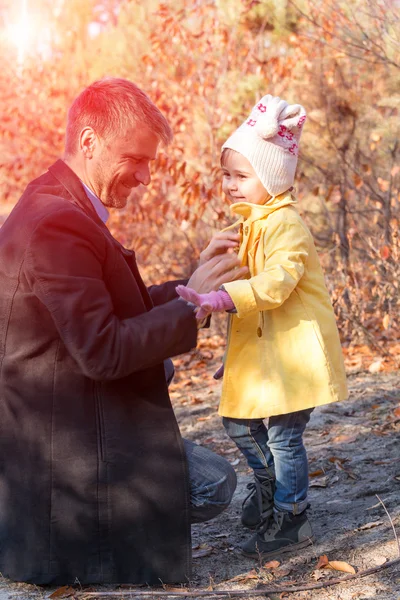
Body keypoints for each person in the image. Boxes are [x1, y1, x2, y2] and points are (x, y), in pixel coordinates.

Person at [0, 77, 249, 585]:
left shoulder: (55, 204)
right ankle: (91, 540)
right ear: (89, 141)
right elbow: (103, 351)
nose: (145, 176)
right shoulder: (57, 224)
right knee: (216, 485)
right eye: (135, 159)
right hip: (60, 463)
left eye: (150, 161)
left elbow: (109, 308)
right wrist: (194, 308)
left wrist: (193, 285)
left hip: (58, 424)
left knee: (166, 371)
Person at [177, 94, 349, 559]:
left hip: (296, 354)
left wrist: (221, 297)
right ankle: (269, 484)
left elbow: (274, 286)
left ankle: (291, 516)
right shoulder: (251, 223)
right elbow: (250, 295)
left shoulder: (285, 225)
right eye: (226, 175)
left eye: (241, 175)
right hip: (267, 351)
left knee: (283, 435)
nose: (230, 185)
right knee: (236, 420)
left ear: (271, 177)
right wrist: (233, 347)